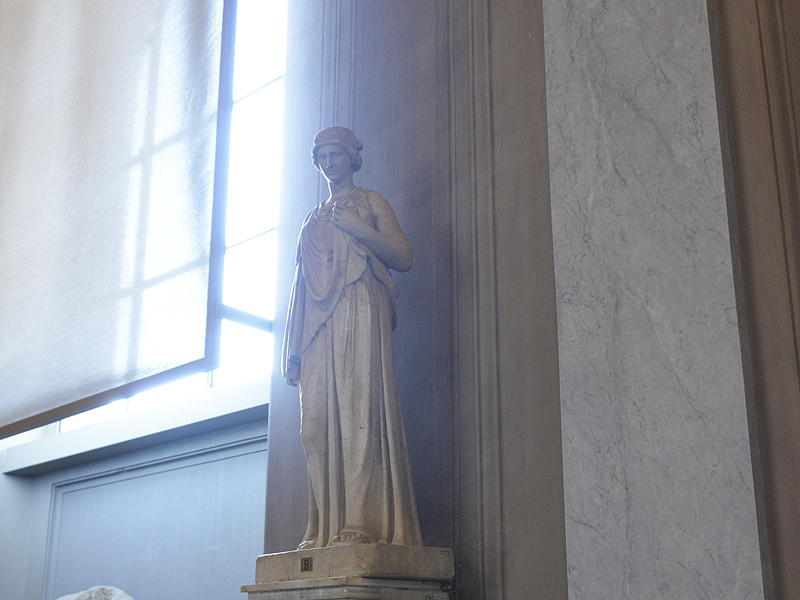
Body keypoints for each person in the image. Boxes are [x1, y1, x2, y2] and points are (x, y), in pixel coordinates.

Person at [282, 127, 422, 548]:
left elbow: (403, 257)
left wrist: (359, 228)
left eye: (336, 154)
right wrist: (293, 346)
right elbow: (299, 285)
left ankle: (359, 521)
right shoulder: (311, 218)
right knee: (313, 427)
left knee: (359, 413)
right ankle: (323, 527)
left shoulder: (370, 202)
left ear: (352, 158)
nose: (329, 163)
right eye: (322, 156)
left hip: (359, 306)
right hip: (317, 323)